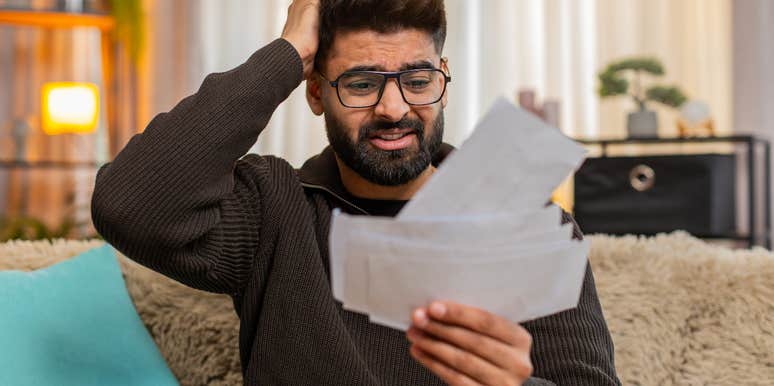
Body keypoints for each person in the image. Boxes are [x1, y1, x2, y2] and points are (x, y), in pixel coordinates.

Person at [91, 0, 621, 385]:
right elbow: (128, 204)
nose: (394, 109)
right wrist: (285, 55)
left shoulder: (529, 225)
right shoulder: (274, 207)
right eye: (362, 83)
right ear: (316, 92)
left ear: (444, 78)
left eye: (416, 79)